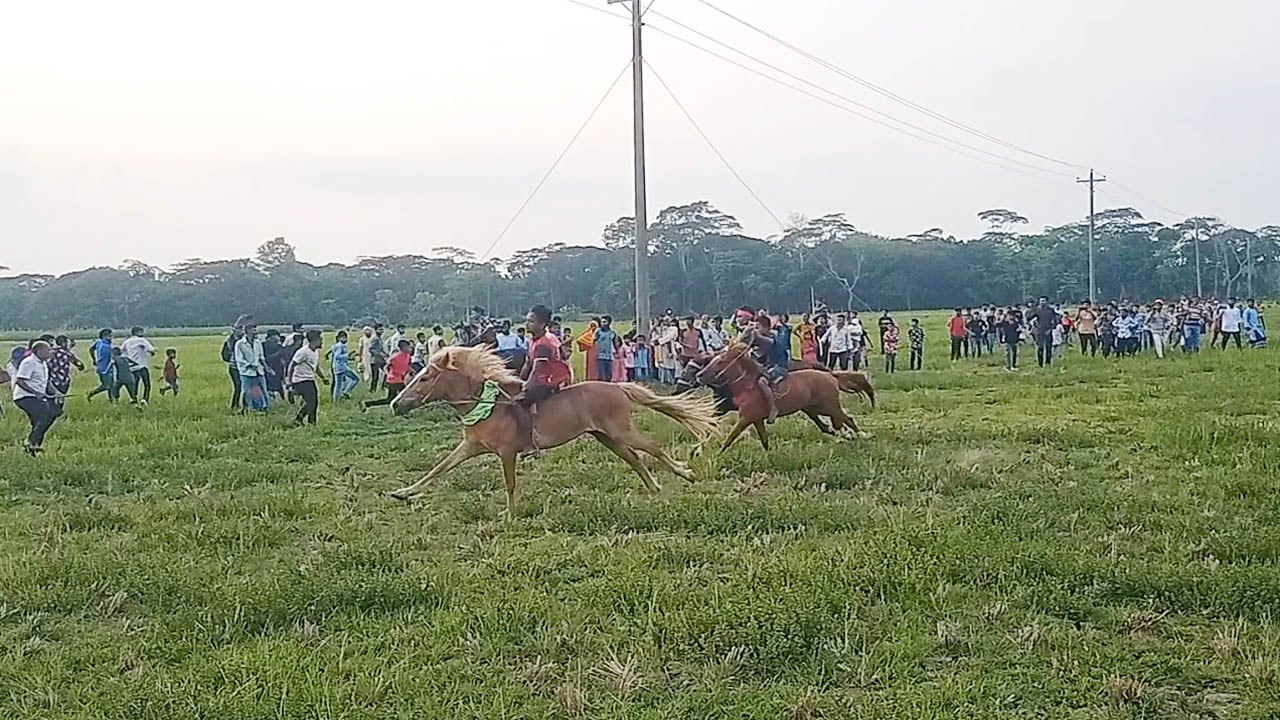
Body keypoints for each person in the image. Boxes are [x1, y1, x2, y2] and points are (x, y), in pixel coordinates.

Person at [13, 341, 59, 455]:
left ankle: (33, 449)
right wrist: (36, 392)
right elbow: (20, 381)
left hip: (36, 397)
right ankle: (31, 442)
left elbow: (46, 381)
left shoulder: (43, 363)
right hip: (24, 397)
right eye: (47, 350)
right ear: (38, 351)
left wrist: (56, 392)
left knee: (39, 421)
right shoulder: (28, 362)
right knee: (47, 414)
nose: (50, 352)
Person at [287, 330, 327, 426]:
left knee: (312, 402)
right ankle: (311, 423)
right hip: (301, 380)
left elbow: (316, 367)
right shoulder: (303, 352)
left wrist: (323, 378)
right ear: (315, 340)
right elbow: (292, 365)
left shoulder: (315, 352)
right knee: (312, 401)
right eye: (320, 339)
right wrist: (289, 381)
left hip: (309, 379)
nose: (322, 342)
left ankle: (299, 419)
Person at [235, 324, 269, 412]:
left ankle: (262, 407)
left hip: (258, 370)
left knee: (260, 390)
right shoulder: (240, 344)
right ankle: (246, 407)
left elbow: (261, 357)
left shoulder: (258, 343)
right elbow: (239, 359)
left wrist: (266, 368)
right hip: (246, 372)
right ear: (247, 331)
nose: (255, 331)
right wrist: (249, 364)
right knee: (246, 391)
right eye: (253, 329)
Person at [120, 326, 157, 404]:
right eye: (141, 332)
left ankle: (134, 398)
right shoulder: (142, 340)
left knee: (135, 383)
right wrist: (152, 352)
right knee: (147, 384)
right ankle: (145, 399)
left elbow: (121, 351)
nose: (143, 333)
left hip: (132, 366)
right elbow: (151, 349)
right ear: (137, 332)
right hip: (142, 365)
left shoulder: (127, 341)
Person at [47, 335, 84, 411]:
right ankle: (58, 411)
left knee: (51, 398)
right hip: (63, 380)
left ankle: (51, 411)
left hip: (51, 379)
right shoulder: (67, 353)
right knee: (61, 398)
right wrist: (80, 367)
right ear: (64, 343)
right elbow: (78, 364)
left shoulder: (51, 352)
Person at [328, 330, 360, 400]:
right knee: (356, 378)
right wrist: (348, 355)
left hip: (337, 367)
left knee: (338, 385)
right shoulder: (340, 346)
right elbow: (337, 356)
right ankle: (346, 392)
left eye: (345, 337)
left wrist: (350, 357)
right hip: (342, 367)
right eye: (342, 337)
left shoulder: (335, 346)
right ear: (338, 338)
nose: (345, 339)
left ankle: (336, 400)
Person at [87, 328, 117, 402]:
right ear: (104, 336)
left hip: (101, 367)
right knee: (106, 386)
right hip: (105, 368)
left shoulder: (98, 342)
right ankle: (91, 393)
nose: (111, 338)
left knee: (111, 385)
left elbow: (91, 349)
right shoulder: (106, 346)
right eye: (109, 336)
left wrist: (94, 359)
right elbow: (111, 358)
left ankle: (112, 400)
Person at [221, 323, 246, 409]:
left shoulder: (246, 339)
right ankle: (234, 405)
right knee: (238, 386)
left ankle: (247, 404)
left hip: (244, 367)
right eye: (239, 328)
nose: (241, 330)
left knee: (247, 387)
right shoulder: (229, 341)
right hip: (234, 367)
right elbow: (224, 355)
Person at [1030, 298, 1058, 368]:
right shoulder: (1037, 310)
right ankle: (1040, 364)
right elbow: (1030, 317)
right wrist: (1033, 308)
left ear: (1046, 302)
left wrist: (1051, 329)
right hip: (1039, 331)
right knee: (1040, 348)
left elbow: (1055, 320)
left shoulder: (1050, 310)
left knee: (1048, 348)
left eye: (1043, 301)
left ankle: (1048, 363)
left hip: (1048, 330)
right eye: (1041, 301)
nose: (1042, 302)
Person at [262, 329, 288, 401]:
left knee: (278, 386)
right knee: (270, 387)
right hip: (268, 368)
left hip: (278, 369)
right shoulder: (264, 345)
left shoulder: (279, 346)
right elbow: (265, 358)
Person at [593, 316, 619, 382]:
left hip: (609, 356)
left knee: (609, 374)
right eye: (602, 322)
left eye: (605, 322)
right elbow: (593, 341)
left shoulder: (612, 333)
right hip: (600, 356)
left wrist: (617, 352)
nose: (603, 324)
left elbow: (616, 344)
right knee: (601, 374)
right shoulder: (598, 332)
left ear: (609, 323)